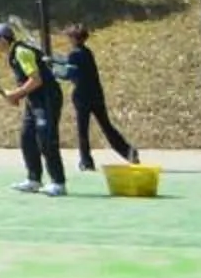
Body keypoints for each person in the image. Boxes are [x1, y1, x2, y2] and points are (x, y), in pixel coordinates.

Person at [0, 22, 65, 196]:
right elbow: (26, 81)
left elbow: (36, 80)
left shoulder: (21, 52)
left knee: (46, 140)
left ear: (2, 39)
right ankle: (34, 180)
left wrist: (16, 94)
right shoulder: (13, 54)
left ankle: (58, 183)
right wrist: (19, 95)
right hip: (35, 100)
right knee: (27, 138)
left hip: (47, 98)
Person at [55, 23, 139, 172]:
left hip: (83, 98)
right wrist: (56, 61)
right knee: (107, 127)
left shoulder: (74, 54)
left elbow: (68, 74)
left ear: (75, 38)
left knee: (83, 130)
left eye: (70, 36)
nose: (68, 39)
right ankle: (128, 152)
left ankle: (86, 162)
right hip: (96, 95)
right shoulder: (87, 52)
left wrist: (53, 71)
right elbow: (70, 64)